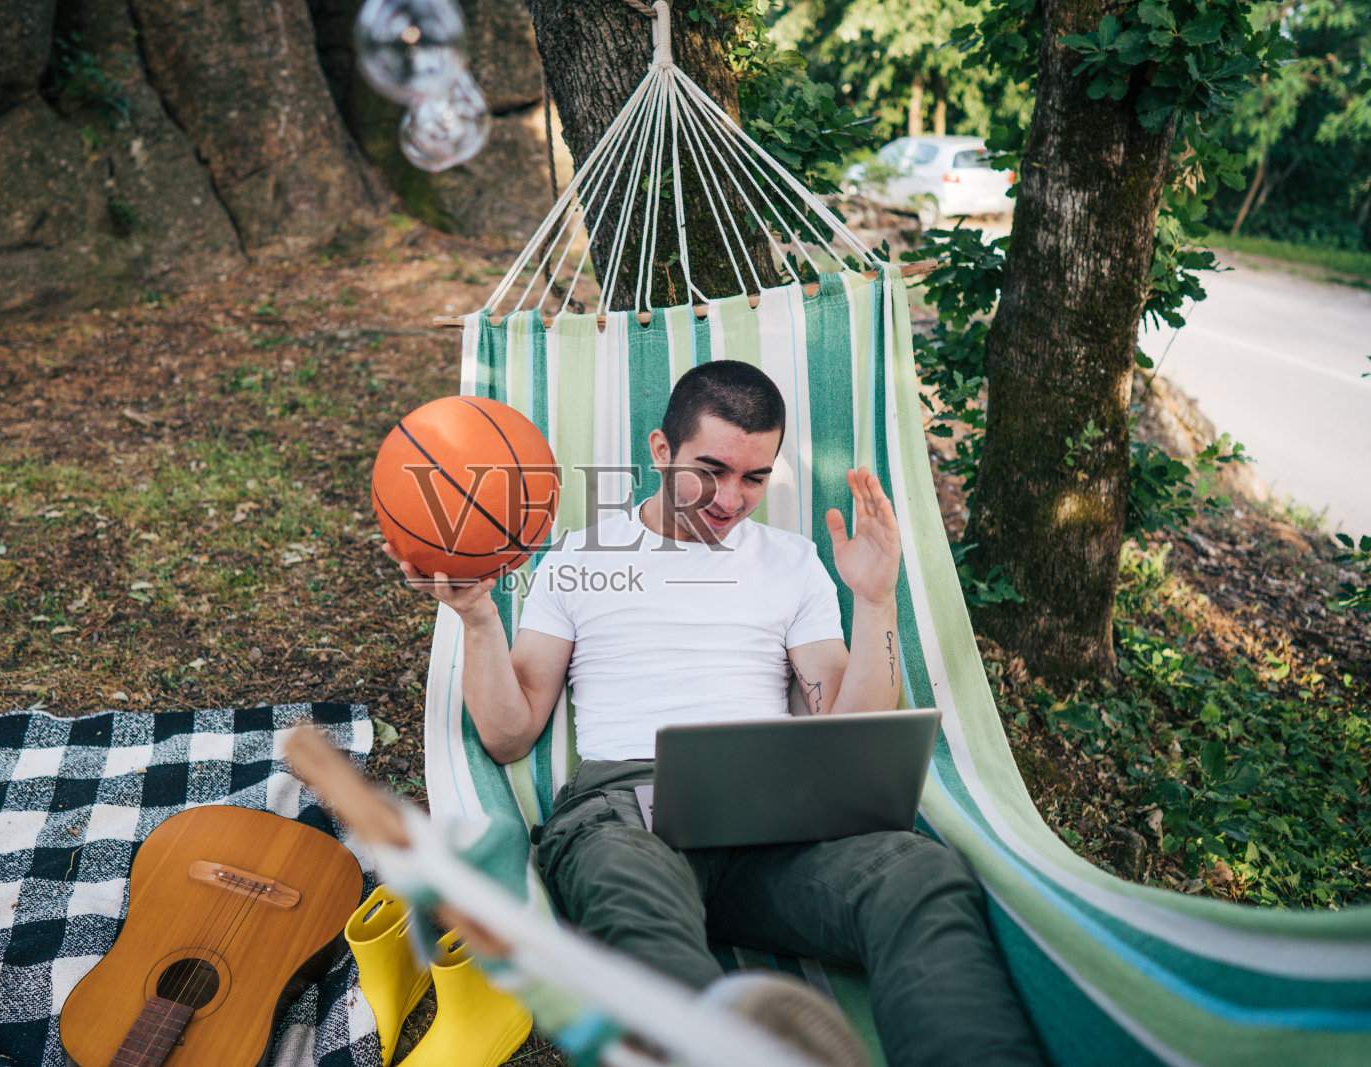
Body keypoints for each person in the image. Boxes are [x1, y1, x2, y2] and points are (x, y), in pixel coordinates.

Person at [384, 361, 1044, 1067]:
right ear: (661, 451)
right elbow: (510, 735)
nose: (732, 499)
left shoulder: (794, 563)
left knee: (920, 873)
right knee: (634, 906)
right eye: (712, 469)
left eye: (755, 477)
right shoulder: (577, 560)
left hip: (775, 827)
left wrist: (875, 600)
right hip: (631, 815)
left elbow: (841, 727)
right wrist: (479, 619)